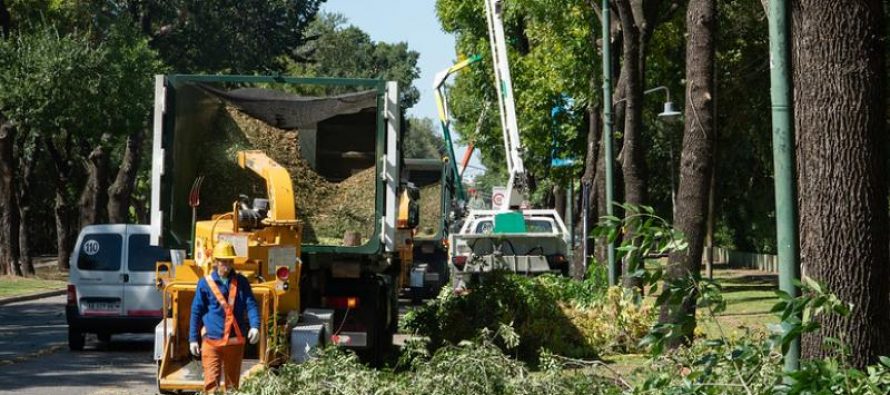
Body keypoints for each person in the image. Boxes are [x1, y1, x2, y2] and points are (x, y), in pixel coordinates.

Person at [189, 241, 261, 393]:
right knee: (211, 385)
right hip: (211, 342)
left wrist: (255, 326)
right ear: (215, 262)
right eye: (224, 261)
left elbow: (251, 305)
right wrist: (193, 339)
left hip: (234, 343)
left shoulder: (241, 282)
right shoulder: (204, 283)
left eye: (230, 261)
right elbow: (196, 311)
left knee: (232, 386)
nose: (227, 265)